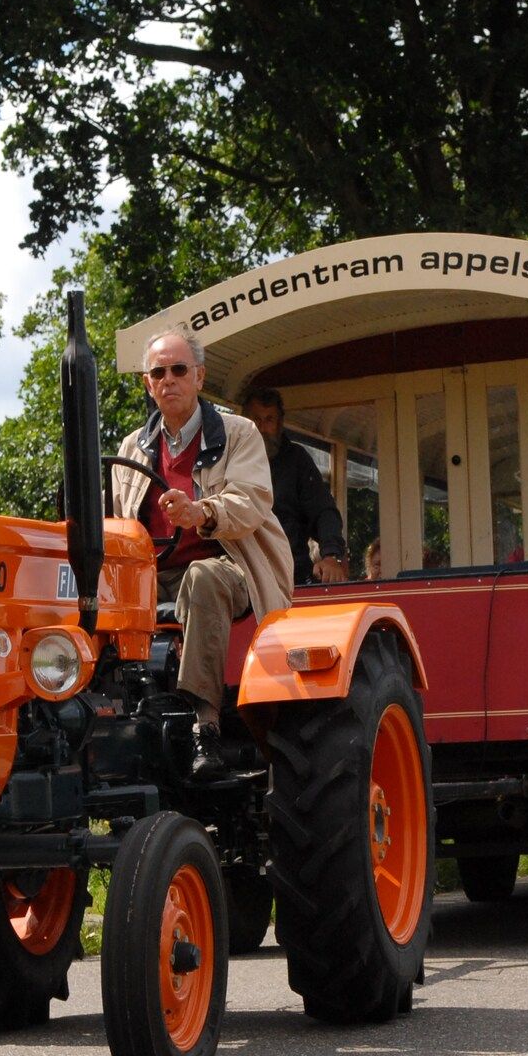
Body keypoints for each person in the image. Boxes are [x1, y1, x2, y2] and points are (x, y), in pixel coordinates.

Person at [109, 328, 292, 778]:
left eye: (178, 369)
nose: (168, 380)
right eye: (158, 373)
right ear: (148, 384)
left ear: (199, 376)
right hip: (155, 575)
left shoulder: (239, 433)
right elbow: (118, 523)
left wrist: (200, 511)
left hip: (234, 566)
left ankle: (205, 726)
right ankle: (104, 720)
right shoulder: (132, 448)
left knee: (202, 576)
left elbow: (250, 502)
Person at [240, 387, 348, 586]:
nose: (262, 428)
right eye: (256, 420)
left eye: (269, 420)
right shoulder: (228, 460)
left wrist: (331, 556)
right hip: (240, 570)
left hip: (289, 572)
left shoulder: (297, 461)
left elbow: (323, 511)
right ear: (244, 422)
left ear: (280, 424)